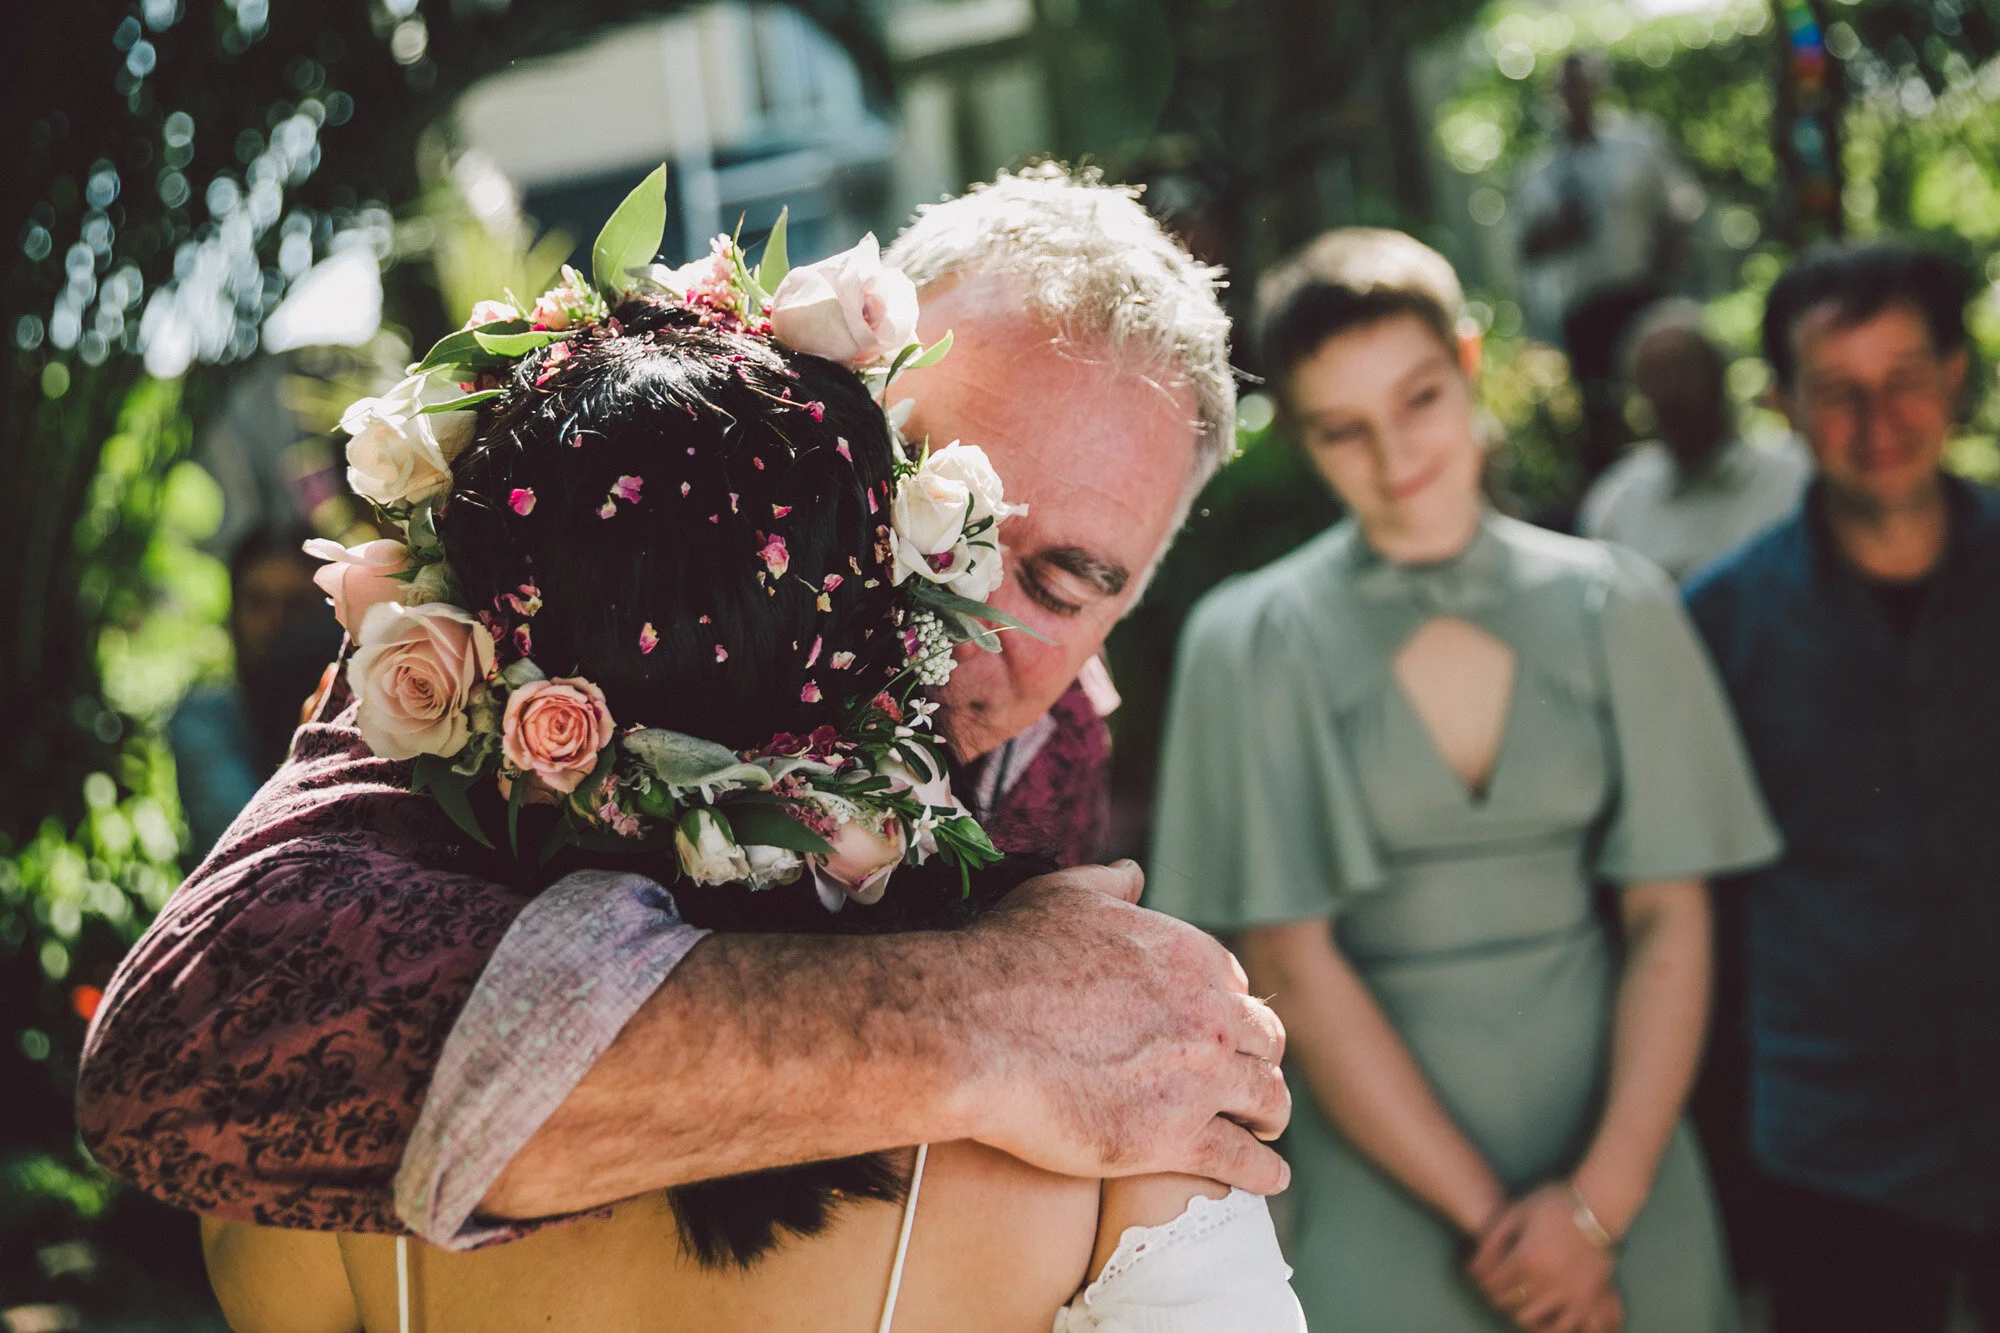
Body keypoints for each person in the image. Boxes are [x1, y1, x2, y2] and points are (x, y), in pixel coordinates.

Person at [76, 166, 1292, 1255]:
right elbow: (183, 1065)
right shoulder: (527, 622)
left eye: (1060, 582)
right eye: (927, 502)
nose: (965, 611)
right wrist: (976, 1019)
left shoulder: (1056, 734)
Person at [1150, 228, 1781, 1333]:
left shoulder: (1618, 605)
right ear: (1294, 436)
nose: (1394, 457)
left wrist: (1593, 1212)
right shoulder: (1246, 638)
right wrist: (1511, 1234)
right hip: (1382, 1191)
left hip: (1621, 1160)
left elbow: (1669, 918)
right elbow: (1290, 967)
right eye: (1342, 430)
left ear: (1471, 360)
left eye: (1418, 399)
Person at [1684, 242, 2000, 1333]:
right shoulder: (1718, 622)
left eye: (1905, 377)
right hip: (1834, 1150)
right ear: (1780, 405)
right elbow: (1699, 915)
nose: (1880, 419)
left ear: (1956, 375)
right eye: (1837, 393)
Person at [1518, 53, 1705, 487]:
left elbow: (1679, 209)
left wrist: (1667, 274)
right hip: (1587, 306)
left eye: (1583, 86)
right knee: (1601, 414)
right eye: (1567, 90)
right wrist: (1556, 233)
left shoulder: (1637, 145)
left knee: (1669, 399)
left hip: (1644, 293)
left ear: (1599, 87)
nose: (1576, 98)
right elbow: (1527, 247)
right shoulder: (1542, 170)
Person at [1578, 301, 1811, 582]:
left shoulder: (1794, 475)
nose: (1671, 391)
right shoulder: (1618, 501)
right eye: (1654, 377)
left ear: (1718, 375)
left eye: (1684, 370)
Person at [168, 529, 343, 859]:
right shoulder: (204, 722)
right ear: (233, 613)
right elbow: (251, 842)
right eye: (257, 603)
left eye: (297, 605)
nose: (275, 623)